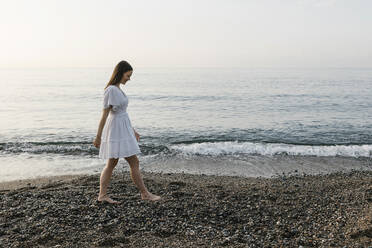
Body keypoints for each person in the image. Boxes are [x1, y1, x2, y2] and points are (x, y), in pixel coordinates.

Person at [93, 60, 161, 204]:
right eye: (128, 75)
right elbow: (105, 114)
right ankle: (144, 193)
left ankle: (103, 195)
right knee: (123, 162)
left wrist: (133, 131)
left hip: (123, 128)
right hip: (117, 130)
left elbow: (123, 114)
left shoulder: (118, 89)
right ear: (120, 73)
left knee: (115, 163)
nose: (129, 78)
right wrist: (98, 136)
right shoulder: (111, 90)